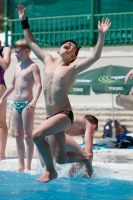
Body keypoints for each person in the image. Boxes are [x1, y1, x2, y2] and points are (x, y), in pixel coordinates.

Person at [17, 4, 111, 182]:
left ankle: (51, 172)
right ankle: (85, 158)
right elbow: (31, 42)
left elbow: (95, 57)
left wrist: (102, 35)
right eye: (66, 43)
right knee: (61, 158)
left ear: (74, 56)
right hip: (50, 117)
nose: (69, 44)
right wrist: (23, 20)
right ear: (59, 50)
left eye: (73, 46)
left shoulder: (72, 68)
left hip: (64, 115)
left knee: (36, 135)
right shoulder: (47, 60)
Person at [0, 39, 42, 171]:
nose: (16, 55)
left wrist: (34, 100)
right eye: (15, 52)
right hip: (15, 103)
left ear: (27, 51)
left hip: (27, 104)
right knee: (17, 135)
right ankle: (20, 164)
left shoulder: (33, 66)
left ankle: (28, 165)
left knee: (27, 135)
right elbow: (12, 85)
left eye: (18, 52)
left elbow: (39, 84)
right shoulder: (17, 66)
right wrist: (3, 97)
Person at [0, 40, 11, 160]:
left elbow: (6, 65)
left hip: (0, 86)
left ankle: (1, 153)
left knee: (1, 121)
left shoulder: (5, 50)